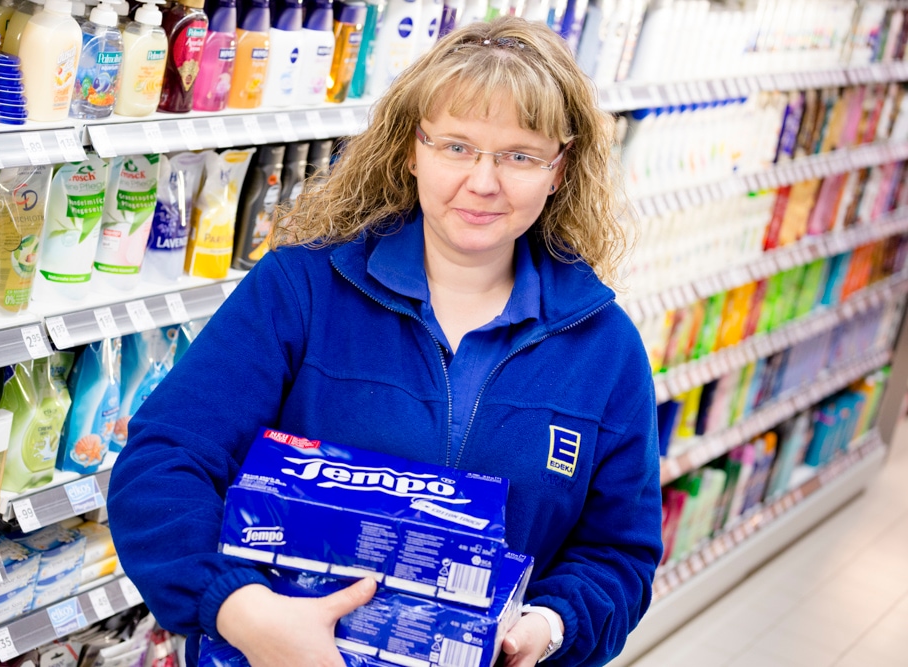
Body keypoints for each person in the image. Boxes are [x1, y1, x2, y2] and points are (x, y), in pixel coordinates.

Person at [108, 15, 663, 667]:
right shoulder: (303, 288)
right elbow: (162, 462)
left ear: (559, 170)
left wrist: (548, 624)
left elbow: (618, 555)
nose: (483, 182)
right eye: (456, 146)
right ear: (412, 148)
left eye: (519, 155)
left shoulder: (605, 348)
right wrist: (243, 611)